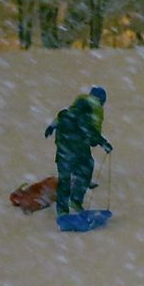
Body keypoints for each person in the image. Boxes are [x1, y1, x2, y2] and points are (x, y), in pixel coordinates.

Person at [45, 86, 113, 217]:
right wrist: (104, 144)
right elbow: (92, 133)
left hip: (62, 153)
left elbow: (56, 122)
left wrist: (50, 128)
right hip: (78, 151)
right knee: (86, 168)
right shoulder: (84, 119)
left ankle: (62, 211)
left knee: (64, 180)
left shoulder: (65, 113)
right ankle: (76, 200)